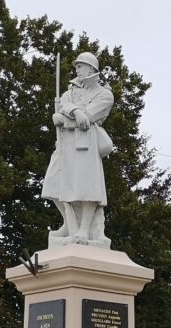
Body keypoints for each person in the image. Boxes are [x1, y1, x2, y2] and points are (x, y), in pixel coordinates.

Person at [42, 52, 114, 248]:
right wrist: (74, 111)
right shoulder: (70, 92)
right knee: (53, 184)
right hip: (65, 144)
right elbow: (65, 103)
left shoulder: (104, 94)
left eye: (80, 66)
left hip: (86, 143)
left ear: (91, 68)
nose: (77, 70)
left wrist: (64, 119)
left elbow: (88, 119)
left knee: (86, 186)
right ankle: (68, 223)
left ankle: (84, 229)